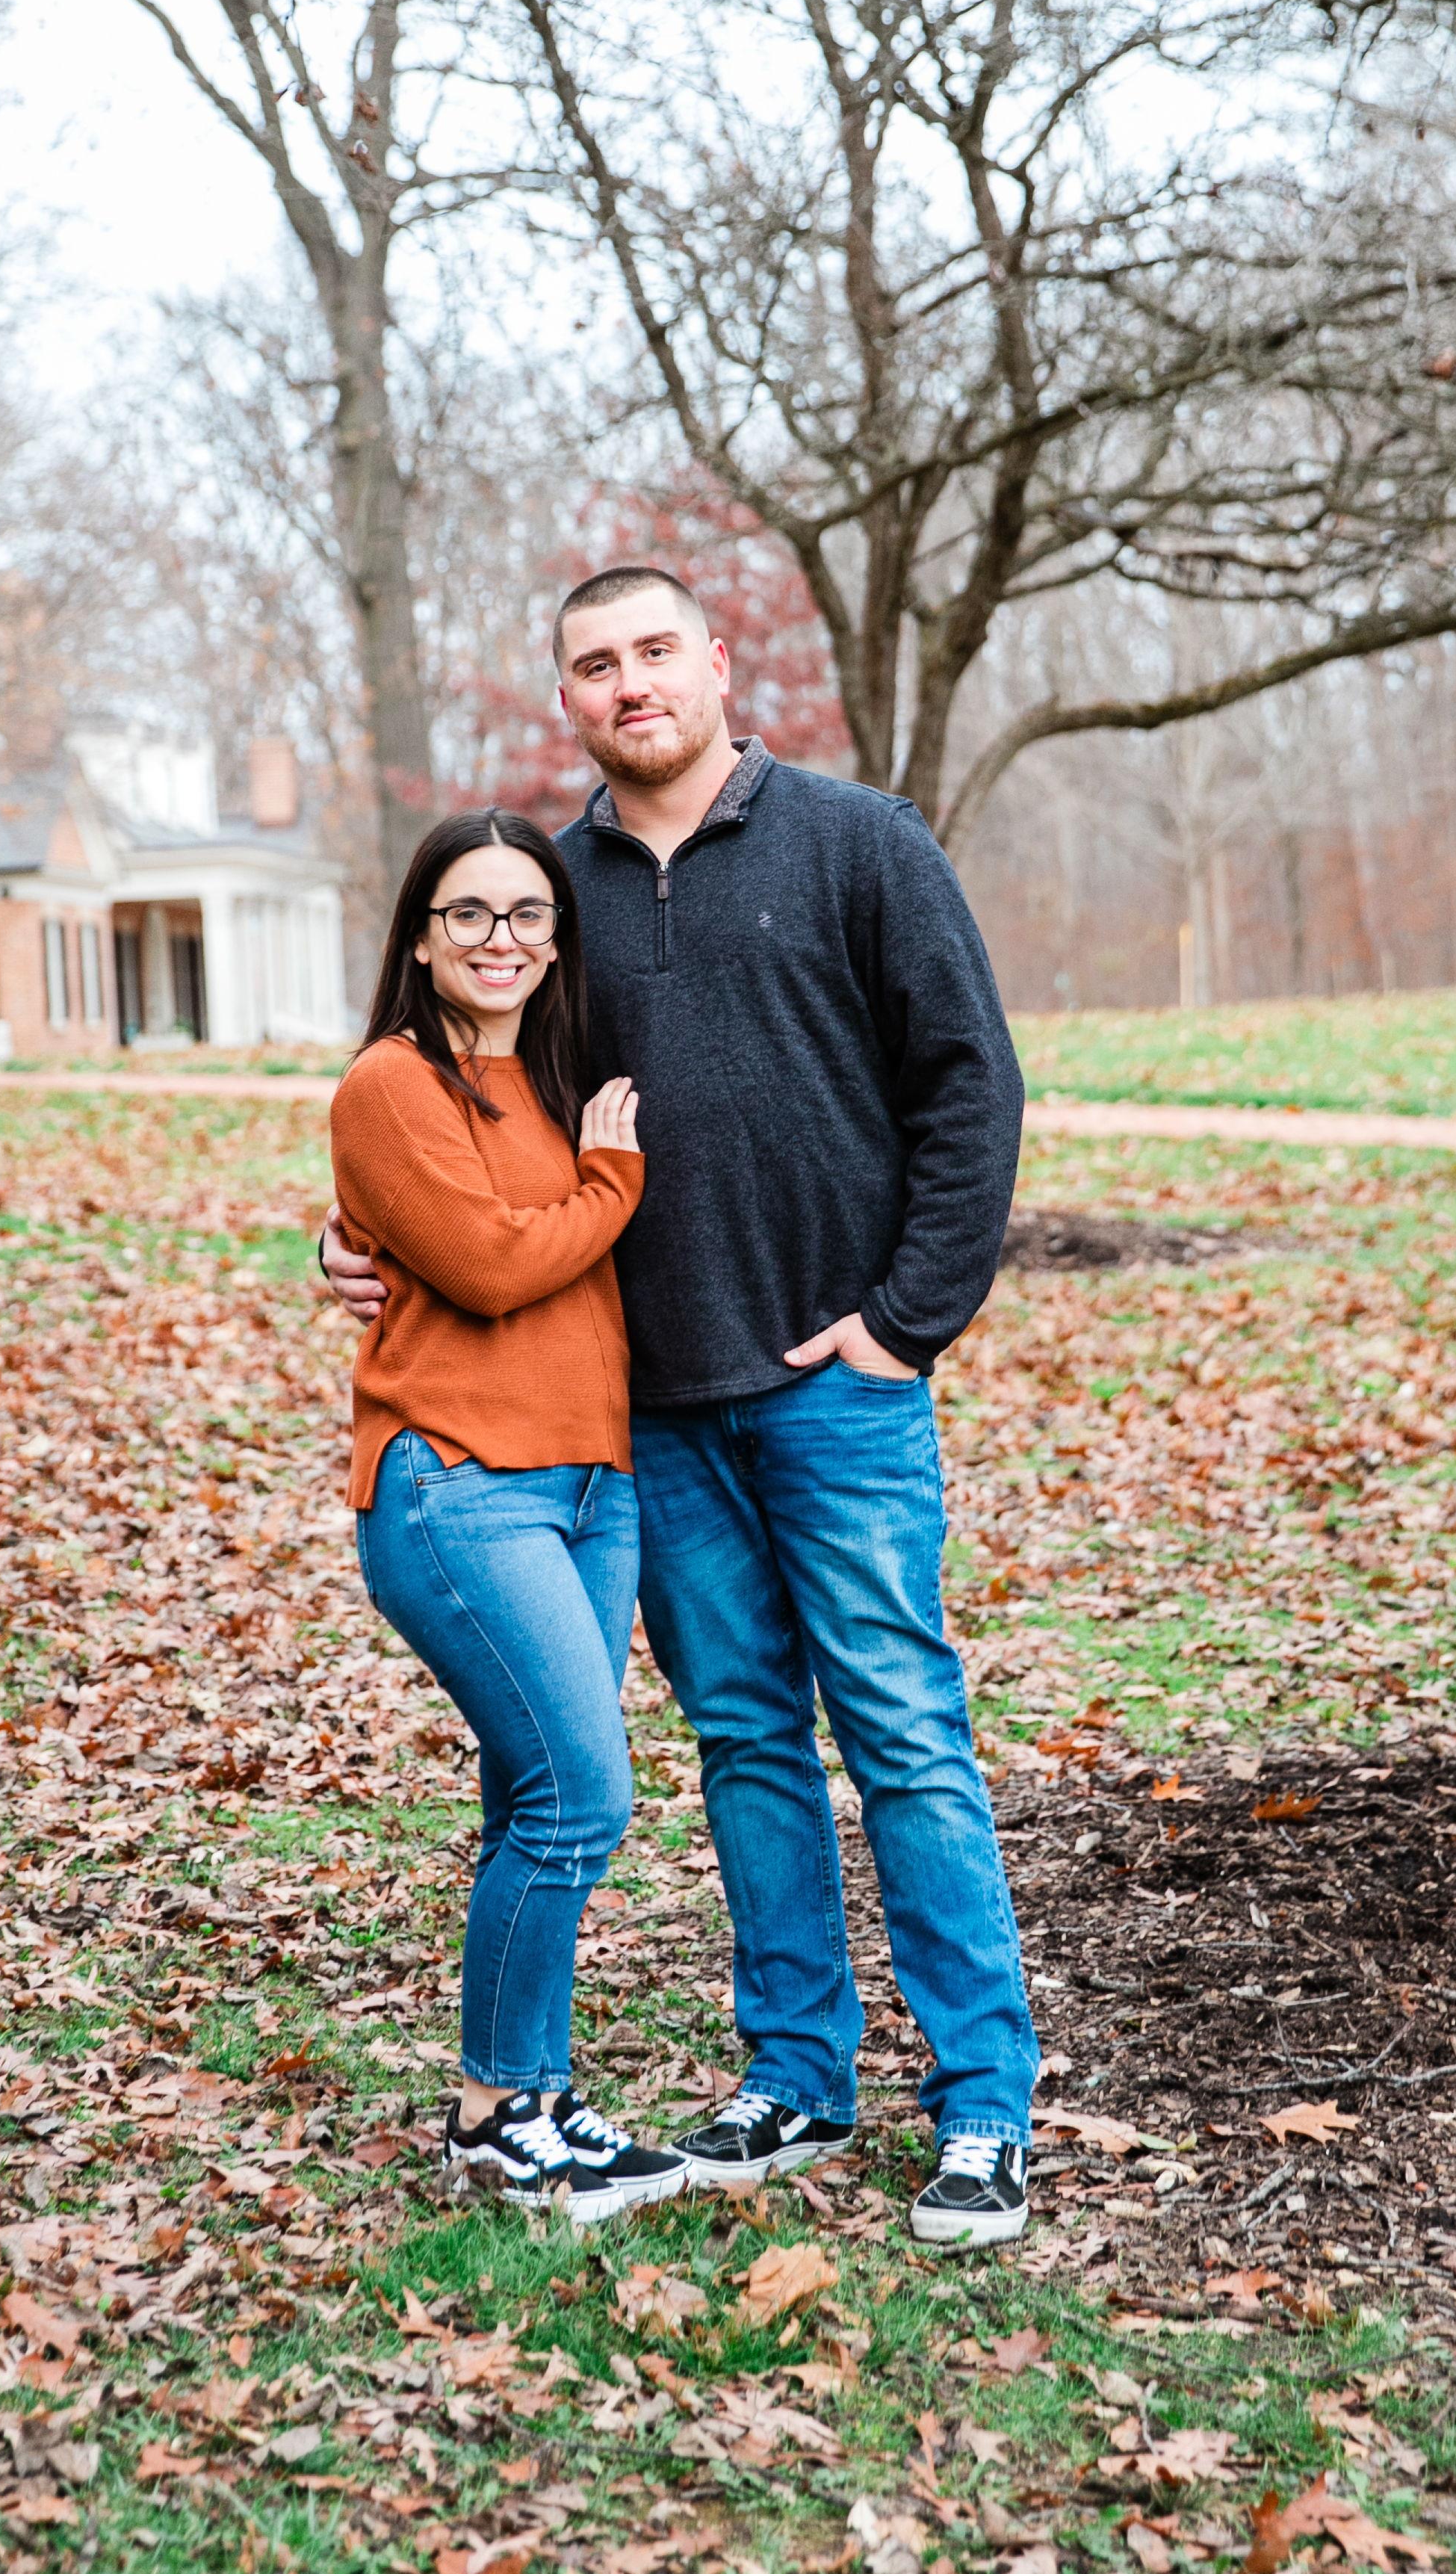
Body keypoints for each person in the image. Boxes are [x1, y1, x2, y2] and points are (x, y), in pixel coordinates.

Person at [325, 569, 1041, 2246]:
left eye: (657, 652)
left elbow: (973, 1083)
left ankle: (983, 2106)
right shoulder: (550, 894)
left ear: (717, 665)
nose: (631, 684)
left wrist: (904, 1323)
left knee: (904, 1730)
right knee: (746, 1741)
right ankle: (796, 2075)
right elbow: (463, 1114)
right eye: (597, 665)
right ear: (567, 698)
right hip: (648, 1417)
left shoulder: (861, 844)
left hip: (836, 1389)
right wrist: (356, 1237)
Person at [327, 805, 695, 2223]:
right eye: (469, 913)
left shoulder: (551, 1077)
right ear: (421, 940)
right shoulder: (390, 1083)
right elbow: (487, 1267)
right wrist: (614, 1182)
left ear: (555, 939)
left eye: (528, 914)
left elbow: (518, 1243)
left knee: (529, 1796)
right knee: (583, 1796)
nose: (501, 938)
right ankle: (491, 2110)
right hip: (459, 1483)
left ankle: (536, 2097)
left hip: (594, 1489)